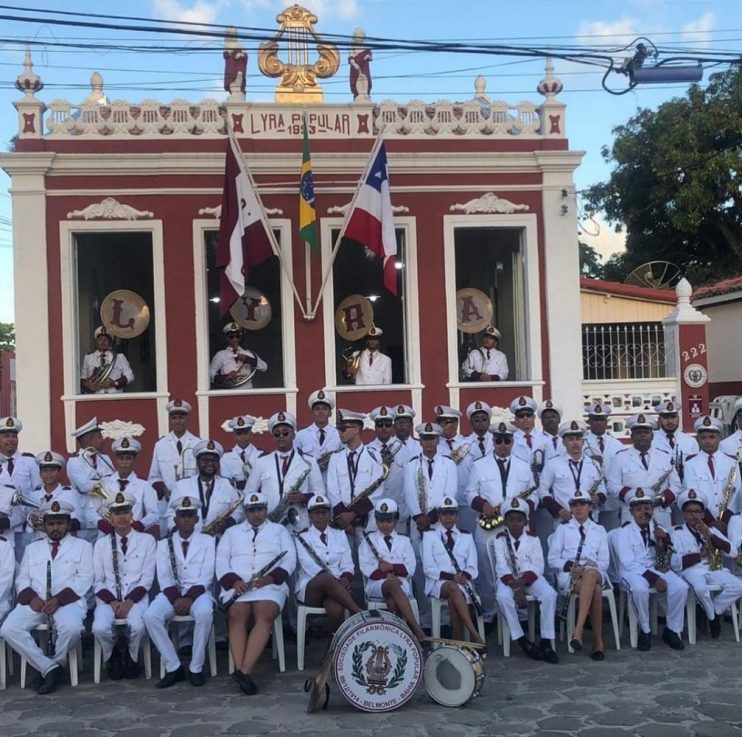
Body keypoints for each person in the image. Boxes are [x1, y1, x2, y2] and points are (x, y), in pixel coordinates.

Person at [1, 500, 94, 694]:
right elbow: (22, 579)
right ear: (44, 526)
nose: (55, 528)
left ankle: (55, 663)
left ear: (68, 524)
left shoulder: (82, 546)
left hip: (67, 602)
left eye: (60, 523)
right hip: (36, 602)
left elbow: (85, 579)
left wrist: (59, 600)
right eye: (51, 524)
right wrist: (32, 598)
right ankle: (49, 668)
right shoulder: (32, 548)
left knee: (73, 628)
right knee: (9, 629)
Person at [216, 492, 296, 696]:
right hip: (239, 588)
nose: (256, 514)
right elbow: (221, 561)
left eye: (259, 509)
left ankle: (244, 670)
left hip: (270, 586)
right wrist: (234, 582)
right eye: (251, 510)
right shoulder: (231, 532)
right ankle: (243, 672)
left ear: (266, 510)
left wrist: (270, 578)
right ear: (246, 512)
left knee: (264, 614)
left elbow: (290, 560)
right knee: (236, 616)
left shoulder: (279, 530)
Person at [466, 420, 534, 625]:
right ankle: (490, 615)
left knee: (517, 569)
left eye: (507, 440)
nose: (503, 444)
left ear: (512, 442)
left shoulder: (524, 466)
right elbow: (469, 492)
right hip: (489, 526)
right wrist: (483, 505)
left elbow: (534, 494)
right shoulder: (479, 465)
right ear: (493, 442)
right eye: (498, 440)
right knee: (487, 573)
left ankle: (519, 615)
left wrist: (522, 510)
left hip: (515, 526)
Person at [145, 496, 216, 688]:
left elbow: (207, 576)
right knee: (151, 616)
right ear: (175, 519)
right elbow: (164, 577)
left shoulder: (208, 541)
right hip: (171, 594)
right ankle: (174, 666)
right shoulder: (163, 544)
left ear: (197, 519)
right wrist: (177, 599)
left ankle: (196, 667)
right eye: (182, 515)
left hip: (199, 593)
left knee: (204, 613)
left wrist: (189, 598)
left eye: (190, 515)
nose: (186, 519)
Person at [92, 492, 157, 680]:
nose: (122, 517)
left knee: (137, 625)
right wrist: (112, 602)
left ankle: (132, 656)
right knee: (99, 628)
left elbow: (147, 578)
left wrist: (129, 602)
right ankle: (111, 655)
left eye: (125, 512)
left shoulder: (147, 541)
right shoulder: (101, 544)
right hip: (108, 600)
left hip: (135, 599)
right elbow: (98, 580)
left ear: (132, 514)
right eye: (116, 513)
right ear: (110, 517)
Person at [614, 491, 687, 651]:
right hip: (633, 572)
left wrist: (665, 539)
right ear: (631, 512)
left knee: (681, 587)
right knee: (639, 589)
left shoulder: (657, 528)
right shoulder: (624, 532)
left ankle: (672, 630)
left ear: (652, 510)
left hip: (656, 567)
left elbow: (672, 550)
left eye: (647, 508)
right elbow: (628, 563)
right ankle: (645, 630)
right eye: (639, 509)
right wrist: (654, 579)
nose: (643, 512)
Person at [404, 422, 458, 628]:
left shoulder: (448, 464)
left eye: (432, 439)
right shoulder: (412, 465)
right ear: (420, 441)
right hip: (419, 525)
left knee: (443, 566)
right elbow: (409, 494)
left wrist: (432, 519)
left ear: (438, 440)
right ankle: (426, 618)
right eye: (425, 439)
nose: (428, 443)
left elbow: (449, 493)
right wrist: (420, 519)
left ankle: (445, 619)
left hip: (440, 523)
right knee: (420, 570)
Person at [494, 497, 559, 662]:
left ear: (525, 521)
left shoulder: (533, 539)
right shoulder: (499, 539)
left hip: (529, 579)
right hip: (508, 580)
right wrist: (515, 588)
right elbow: (501, 567)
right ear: (505, 522)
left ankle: (546, 641)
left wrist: (521, 584)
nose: (515, 523)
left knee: (549, 594)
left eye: (519, 520)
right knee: (502, 597)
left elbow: (538, 566)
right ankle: (522, 640)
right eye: (511, 520)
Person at [548, 488, 609, 660]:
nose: (578, 508)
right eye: (574, 505)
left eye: (582, 504)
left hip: (595, 572)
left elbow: (605, 562)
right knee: (595, 591)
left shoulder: (599, 530)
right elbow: (552, 559)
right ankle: (598, 643)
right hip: (571, 576)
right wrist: (571, 566)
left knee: (590, 573)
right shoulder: (562, 529)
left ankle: (578, 630)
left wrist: (587, 568)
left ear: (590, 507)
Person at [671, 489, 742, 638]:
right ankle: (713, 619)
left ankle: (712, 612)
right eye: (690, 512)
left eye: (697, 512)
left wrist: (710, 535)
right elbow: (675, 563)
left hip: (712, 569)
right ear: (684, 514)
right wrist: (699, 555)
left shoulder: (711, 530)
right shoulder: (676, 532)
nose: (694, 516)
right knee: (700, 588)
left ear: (703, 514)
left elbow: (733, 551)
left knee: (738, 586)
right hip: (691, 570)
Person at [358, 498, 427, 642]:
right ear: (376, 521)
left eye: (389, 521)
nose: (385, 525)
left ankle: (393, 638)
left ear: (396, 521)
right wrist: (387, 575)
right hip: (376, 586)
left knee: (392, 598)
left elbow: (410, 568)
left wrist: (391, 567)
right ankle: (416, 630)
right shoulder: (368, 540)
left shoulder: (404, 541)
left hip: (402, 585)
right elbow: (366, 568)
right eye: (381, 521)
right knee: (392, 584)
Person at [294, 494, 362, 637]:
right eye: (316, 513)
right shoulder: (302, 537)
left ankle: (330, 652)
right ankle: (359, 614)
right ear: (309, 515)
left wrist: (345, 578)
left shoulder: (340, 534)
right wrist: (338, 581)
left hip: (337, 590)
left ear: (329, 514)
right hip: (312, 589)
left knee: (336, 609)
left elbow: (348, 564)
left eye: (324, 512)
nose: (321, 516)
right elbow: (310, 567)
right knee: (325, 578)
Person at [422, 496, 485, 645]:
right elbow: (429, 569)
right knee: (452, 587)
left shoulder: (466, 536)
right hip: (438, 583)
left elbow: (472, 566)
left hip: (463, 583)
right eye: (444, 514)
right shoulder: (430, 536)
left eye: (451, 513)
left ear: (456, 515)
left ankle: (458, 642)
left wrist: (464, 576)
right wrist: (453, 577)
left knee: (453, 597)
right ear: (438, 516)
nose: (448, 518)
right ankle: (473, 633)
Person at [245, 411, 322, 533]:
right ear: (272, 437)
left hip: (299, 523)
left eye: (285, 432)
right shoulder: (261, 462)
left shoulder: (309, 461)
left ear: (293, 435)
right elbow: (248, 492)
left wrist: (304, 497)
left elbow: (320, 493)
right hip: (269, 523)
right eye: (277, 433)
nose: (281, 436)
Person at [606, 413, 680, 530]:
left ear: (652, 436)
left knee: (662, 546)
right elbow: (612, 485)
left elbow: (676, 485)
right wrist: (633, 498)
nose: (642, 436)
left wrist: (662, 499)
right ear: (632, 436)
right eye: (638, 433)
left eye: (646, 433)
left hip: (660, 512)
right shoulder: (620, 458)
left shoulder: (665, 456)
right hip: (632, 513)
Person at [327, 410, 386, 537]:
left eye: (343, 429)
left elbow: (377, 491)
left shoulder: (373, 456)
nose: (340, 433)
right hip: (342, 521)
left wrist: (354, 514)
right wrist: (345, 520)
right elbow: (332, 490)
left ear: (356, 429)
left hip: (366, 520)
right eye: (338, 429)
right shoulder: (336, 458)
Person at [167, 440, 244, 535]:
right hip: (190, 540)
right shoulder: (181, 486)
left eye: (214, 460)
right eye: (205, 460)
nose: (210, 463)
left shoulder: (227, 484)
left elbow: (238, 510)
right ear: (197, 462)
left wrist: (230, 522)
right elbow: (170, 514)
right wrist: (180, 533)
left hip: (219, 539)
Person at [539, 421, 606, 530]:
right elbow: (543, 491)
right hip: (564, 520)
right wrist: (558, 510)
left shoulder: (594, 464)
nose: (575, 442)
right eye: (570, 439)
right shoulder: (553, 464)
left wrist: (599, 496)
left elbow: (602, 487)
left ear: (583, 441)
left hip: (590, 520)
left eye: (578, 439)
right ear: (564, 442)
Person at [683, 415, 741, 526]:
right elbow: (692, 493)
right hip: (702, 521)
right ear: (698, 439)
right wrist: (710, 521)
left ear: (719, 437)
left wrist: (726, 519)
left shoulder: (732, 462)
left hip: (729, 522)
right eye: (703, 438)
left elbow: (737, 492)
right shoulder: (690, 464)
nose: (707, 441)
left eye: (711, 437)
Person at [66, 417, 116, 544]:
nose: (102, 440)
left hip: (105, 513)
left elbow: (114, 482)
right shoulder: (74, 462)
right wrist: (103, 480)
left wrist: (97, 482)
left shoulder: (105, 458)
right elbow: (84, 486)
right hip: (84, 518)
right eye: (99, 437)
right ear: (89, 439)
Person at [99, 437, 159, 538]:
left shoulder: (144, 485)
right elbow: (90, 509)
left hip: (134, 534)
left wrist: (141, 524)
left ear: (134, 460)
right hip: (107, 534)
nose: (124, 462)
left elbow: (154, 513)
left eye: (128, 458)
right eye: (121, 458)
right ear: (116, 459)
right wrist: (99, 523)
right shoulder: (104, 482)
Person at [0, 416, 41, 557]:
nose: (11, 440)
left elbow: (38, 492)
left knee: (25, 565)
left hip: (25, 526)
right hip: (2, 527)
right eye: (6, 436)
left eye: (14, 436)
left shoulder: (29, 462)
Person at [148, 399, 202, 503]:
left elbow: (202, 474)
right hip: (168, 501)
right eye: (174, 418)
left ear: (187, 419)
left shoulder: (198, 443)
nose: (178, 421)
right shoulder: (160, 445)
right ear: (170, 420)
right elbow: (154, 477)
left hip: (193, 498)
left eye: (181, 418)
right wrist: (164, 490)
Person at [367, 405, 409, 525]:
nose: (384, 428)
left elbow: (409, 482)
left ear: (392, 426)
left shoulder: (404, 450)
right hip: (374, 511)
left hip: (399, 511)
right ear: (374, 427)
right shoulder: (368, 450)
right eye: (380, 424)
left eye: (387, 424)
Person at [28, 451, 82, 540]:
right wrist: (32, 521)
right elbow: (27, 526)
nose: (48, 474)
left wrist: (57, 522)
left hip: (64, 542)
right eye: (44, 471)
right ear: (40, 473)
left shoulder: (70, 493)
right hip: (38, 542)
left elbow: (80, 522)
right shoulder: (33, 495)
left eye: (52, 470)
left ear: (59, 472)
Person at [295, 390, 342, 476]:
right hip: (310, 483)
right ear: (312, 413)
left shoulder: (339, 434)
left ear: (330, 413)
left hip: (332, 482)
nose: (320, 412)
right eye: (317, 409)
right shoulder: (301, 435)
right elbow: (295, 462)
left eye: (324, 408)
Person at [209, 322, 267, 390]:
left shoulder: (248, 353)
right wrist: (225, 377)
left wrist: (247, 359)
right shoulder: (221, 354)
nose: (235, 339)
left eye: (237, 336)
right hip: (229, 391)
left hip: (247, 391)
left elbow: (264, 367)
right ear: (227, 338)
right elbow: (210, 374)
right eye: (231, 336)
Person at [651, 400, 699, 482]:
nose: (670, 421)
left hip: (687, 488)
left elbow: (697, 468)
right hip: (661, 489)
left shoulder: (690, 442)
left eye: (673, 417)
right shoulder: (651, 441)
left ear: (678, 418)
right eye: (665, 418)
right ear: (659, 420)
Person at [80, 325, 134, 394]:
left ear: (110, 342)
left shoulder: (119, 357)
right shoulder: (88, 357)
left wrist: (114, 383)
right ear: (96, 341)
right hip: (95, 397)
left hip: (115, 396)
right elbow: (83, 378)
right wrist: (88, 385)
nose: (103, 342)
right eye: (100, 339)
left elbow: (130, 376)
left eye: (106, 340)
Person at [221, 415, 260, 491]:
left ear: (251, 434)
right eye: (239, 433)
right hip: (235, 497)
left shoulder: (261, 455)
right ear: (234, 435)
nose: (242, 436)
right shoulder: (225, 457)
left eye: (245, 432)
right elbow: (227, 483)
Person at [348, 27, 372, 101]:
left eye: (361, 37)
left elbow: (370, 56)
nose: (359, 39)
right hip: (355, 68)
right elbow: (350, 58)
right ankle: (357, 95)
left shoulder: (366, 47)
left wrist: (368, 56)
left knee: (365, 79)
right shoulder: (352, 48)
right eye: (358, 37)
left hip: (364, 67)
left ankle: (365, 94)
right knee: (355, 81)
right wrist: (354, 64)